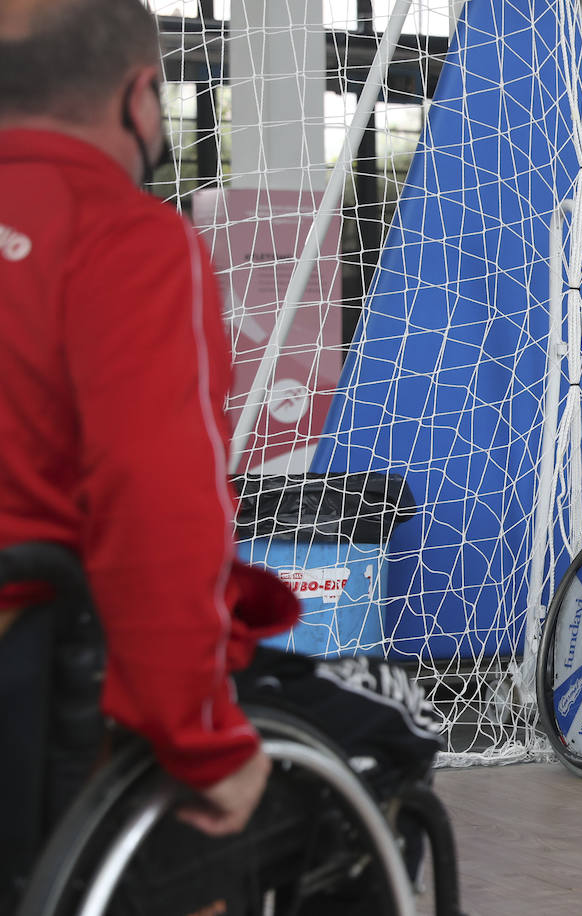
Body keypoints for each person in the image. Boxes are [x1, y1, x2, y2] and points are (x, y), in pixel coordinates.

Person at [0, 0, 299, 893]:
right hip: (36, 675)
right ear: (140, 96)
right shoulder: (124, 237)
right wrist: (203, 741)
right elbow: (158, 505)